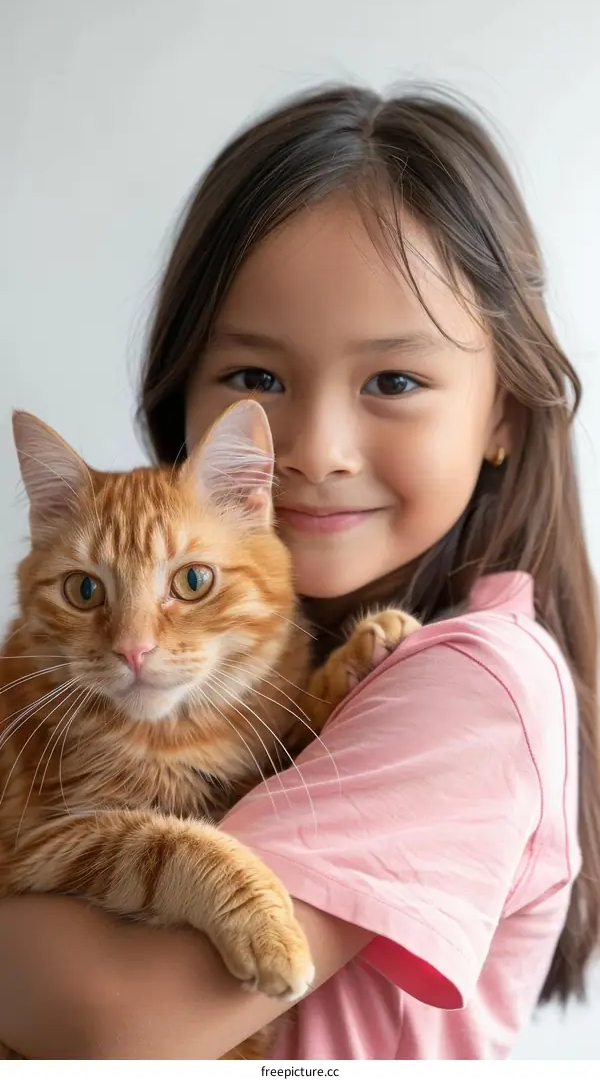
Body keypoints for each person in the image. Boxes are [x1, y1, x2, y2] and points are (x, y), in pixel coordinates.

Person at [0, 85, 598, 1060]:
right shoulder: (252, 650)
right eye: (257, 379)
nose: (313, 450)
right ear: (182, 394)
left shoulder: (477, 687)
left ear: (503, 413)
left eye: (393, 380)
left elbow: (117, 1021)